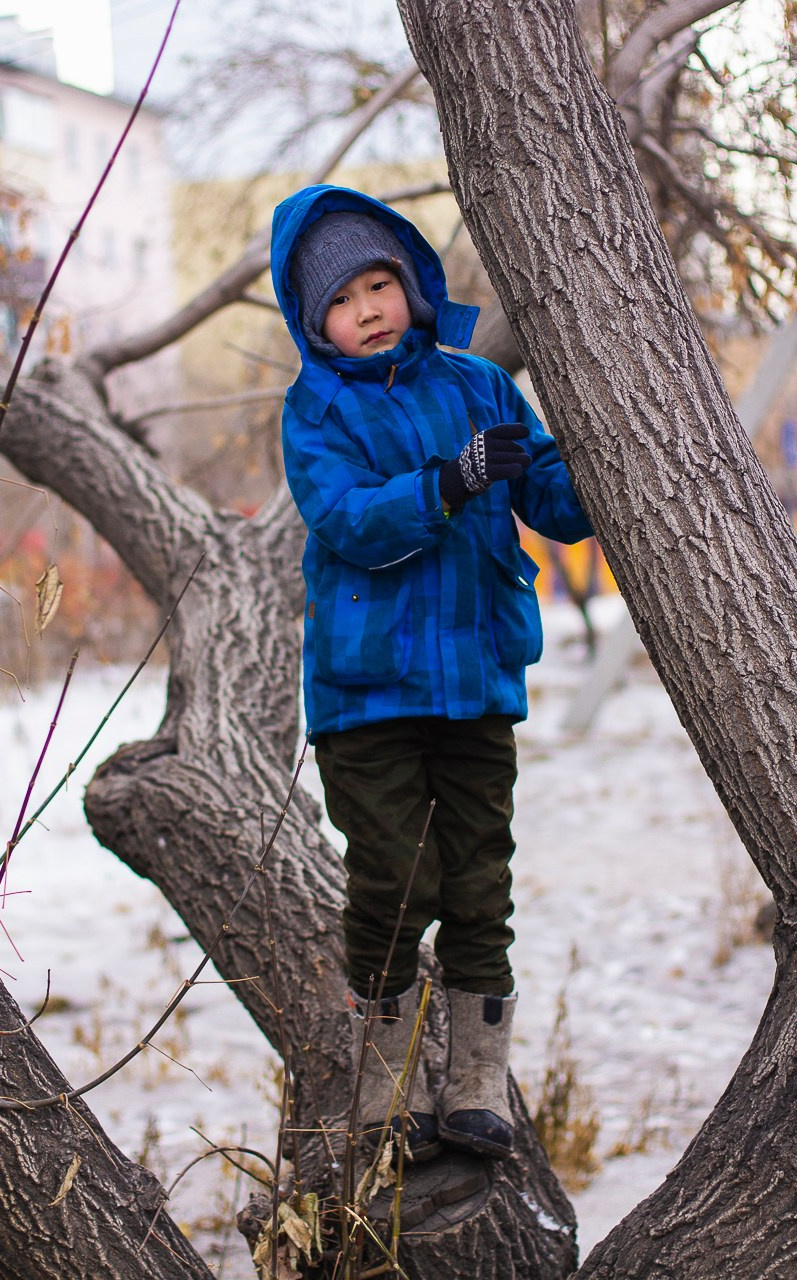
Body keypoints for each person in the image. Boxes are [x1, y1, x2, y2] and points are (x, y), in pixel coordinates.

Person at [271, 184, 593, 1162]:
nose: (367, 308)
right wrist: (448, 481)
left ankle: (476, 1083)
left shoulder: (478, 386)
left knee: (479, 878)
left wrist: (599, 445)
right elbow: (348, 523)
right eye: (341, 298)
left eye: (381, 283)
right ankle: (384, 1091)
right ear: (310, 318)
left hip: (475, 678)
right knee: (393, 878)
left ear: (411, 284)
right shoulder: (314, 410)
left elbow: (556, 499)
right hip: (365, 692)